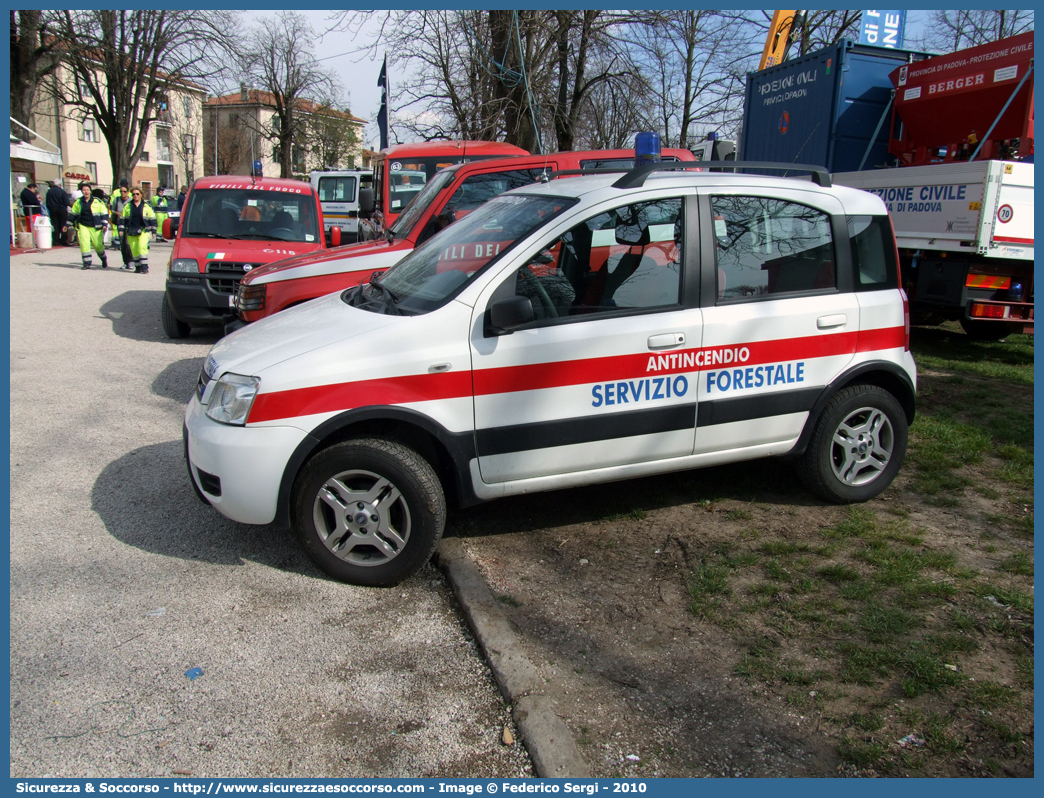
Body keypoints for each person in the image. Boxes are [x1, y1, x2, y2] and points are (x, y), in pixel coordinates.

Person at [65, 182, 110, 269]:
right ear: (81, 191)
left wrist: (104, 224)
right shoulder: (78, 202)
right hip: (83, 225)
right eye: (84, 190)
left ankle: (103, 258)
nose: (86, 192)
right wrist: (67, 225)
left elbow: (104, 213)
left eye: (87, 190)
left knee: (98, 246)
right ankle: (86, 263)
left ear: (90, 191)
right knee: (84, 244)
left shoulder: (98, 201)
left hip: (96, 227)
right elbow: (73, 214)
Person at [118, 186, 157, 274]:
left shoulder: (147, 206)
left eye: (137, 194)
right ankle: (138, 267)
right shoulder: (128, 206)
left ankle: (144, 267)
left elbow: (153, 219)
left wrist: (154, 231)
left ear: (141, 195)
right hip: (131, 231)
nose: (135, 196)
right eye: (133, 194)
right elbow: (122, 219)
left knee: (142, 247)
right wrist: (120, 229)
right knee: (134, 249)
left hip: (143, 230)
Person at [111, 183, 133, 265]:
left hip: (129, 224)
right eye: (121, 191)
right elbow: (112, 209)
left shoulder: (131, 201)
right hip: (119, 223)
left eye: (124, 191)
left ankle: (131, 261)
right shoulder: (116, 200)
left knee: (128, 244)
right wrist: (116, 213)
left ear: (127, 192)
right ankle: (125, 262)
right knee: (122, 245)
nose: (122, 193)